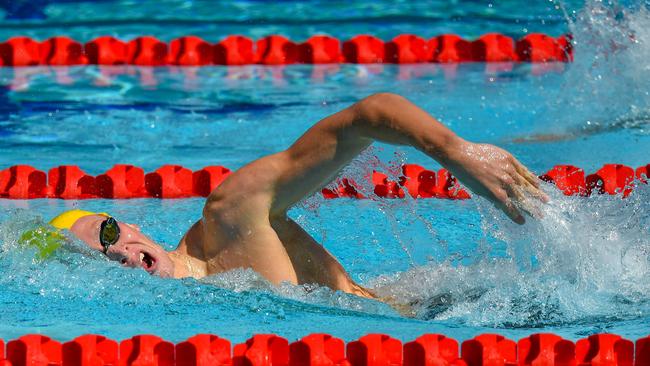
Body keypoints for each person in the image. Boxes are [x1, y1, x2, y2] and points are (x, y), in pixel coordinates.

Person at [39, 93, 547, 299]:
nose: (119, 255)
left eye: (108, 234)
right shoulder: (206, 299)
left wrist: (455, 151)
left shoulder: (227, 216)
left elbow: (367, 115)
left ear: (130, 226)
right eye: (103, 260)